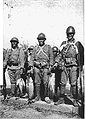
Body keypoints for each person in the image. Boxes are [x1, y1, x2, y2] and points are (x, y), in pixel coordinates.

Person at [54, 26, 79, 106]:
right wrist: (56, 62)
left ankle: (75, 99)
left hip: (73, 66)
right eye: (68, 34)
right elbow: (59, 55)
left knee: (73, 83)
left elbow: (80, 57)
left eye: (71, 34)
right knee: (62, 83)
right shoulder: (63, 44)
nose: (70, 35)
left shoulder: (77, 44)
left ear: (73, 34)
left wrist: (80, 68)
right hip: (64, 65)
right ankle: (61, 98)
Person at [29, 33, 53, 103]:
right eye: (39, 39)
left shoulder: (48, 47)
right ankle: (37, 96)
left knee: (45, 82)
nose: (41, 41)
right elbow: (32, 58)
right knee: (37, 82)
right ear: (38, 40)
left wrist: (50, 66)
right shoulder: (35, 48)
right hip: (37, 67)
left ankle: (46, 96)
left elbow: (51, 57)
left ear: (44, 40)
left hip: (45, 67)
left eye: (42, 39)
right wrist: (31, 67)